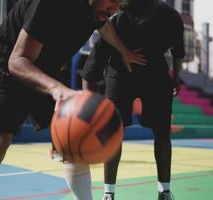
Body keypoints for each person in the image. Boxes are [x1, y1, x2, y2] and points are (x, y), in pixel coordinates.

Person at [0, 0, 146, 199]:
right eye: (113, 1)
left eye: (120, 5)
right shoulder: (50, 4)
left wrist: (125, 52)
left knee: (74, 141)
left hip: (46, 71)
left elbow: (105, 27)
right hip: (5, 68)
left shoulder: (98, 11)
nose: (114, 10)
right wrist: (57, 89)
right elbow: (17, 62)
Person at [77, 0, 185, 199]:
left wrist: (176, 78)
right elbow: (95, 60)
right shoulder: (116, 20)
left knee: (162, 132)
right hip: (120, 72)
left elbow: (177, 52)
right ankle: (108, 193)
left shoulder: (170, 17)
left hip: (155, 73)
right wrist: (86, 96)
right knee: (114, 132)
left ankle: (165, 191)